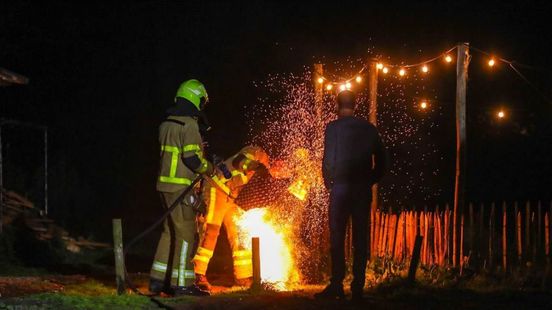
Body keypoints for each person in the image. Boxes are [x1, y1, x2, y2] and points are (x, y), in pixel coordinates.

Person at [315, 90, 387, 302]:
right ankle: (358, 290)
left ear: (338, 106)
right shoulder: (369, 129)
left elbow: (328, 159)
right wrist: (369, 180)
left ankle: (337, 284)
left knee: (337, 238)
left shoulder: (333, 128)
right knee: (360, 239)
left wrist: (329, 183)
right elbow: (383, 161)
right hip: (361, 190)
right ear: (355, 104)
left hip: (340, 190)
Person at [149, 79, 215, 296]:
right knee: (187, 234)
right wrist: (209, 167)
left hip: (164, 186)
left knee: (169, 232)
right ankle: (183, 284)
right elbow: (191, 159)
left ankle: (157, 280)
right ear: (196, 99)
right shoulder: (189, 125)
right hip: (181, 188)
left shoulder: (167, 123)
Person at [192, 146, 269, 292]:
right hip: (216, 188)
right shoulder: (256, 152)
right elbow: (241, 162)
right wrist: (259, 167)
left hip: (231, 197)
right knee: (211, 231)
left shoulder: (267, 168)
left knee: (240, 232)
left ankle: (243, 276)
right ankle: (198, 274)